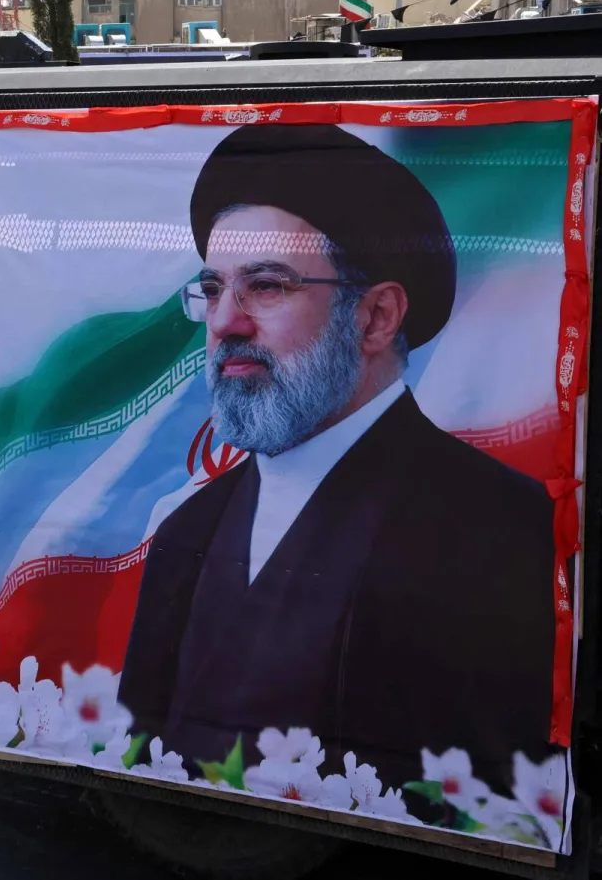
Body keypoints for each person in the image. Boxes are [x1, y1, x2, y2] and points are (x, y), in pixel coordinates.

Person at [118, 124, 556, 792]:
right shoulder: (188, 532)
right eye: (212, 289)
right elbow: (141, 761)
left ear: (375, 317)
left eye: (264, 286)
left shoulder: (499, 525)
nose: (223, 322)